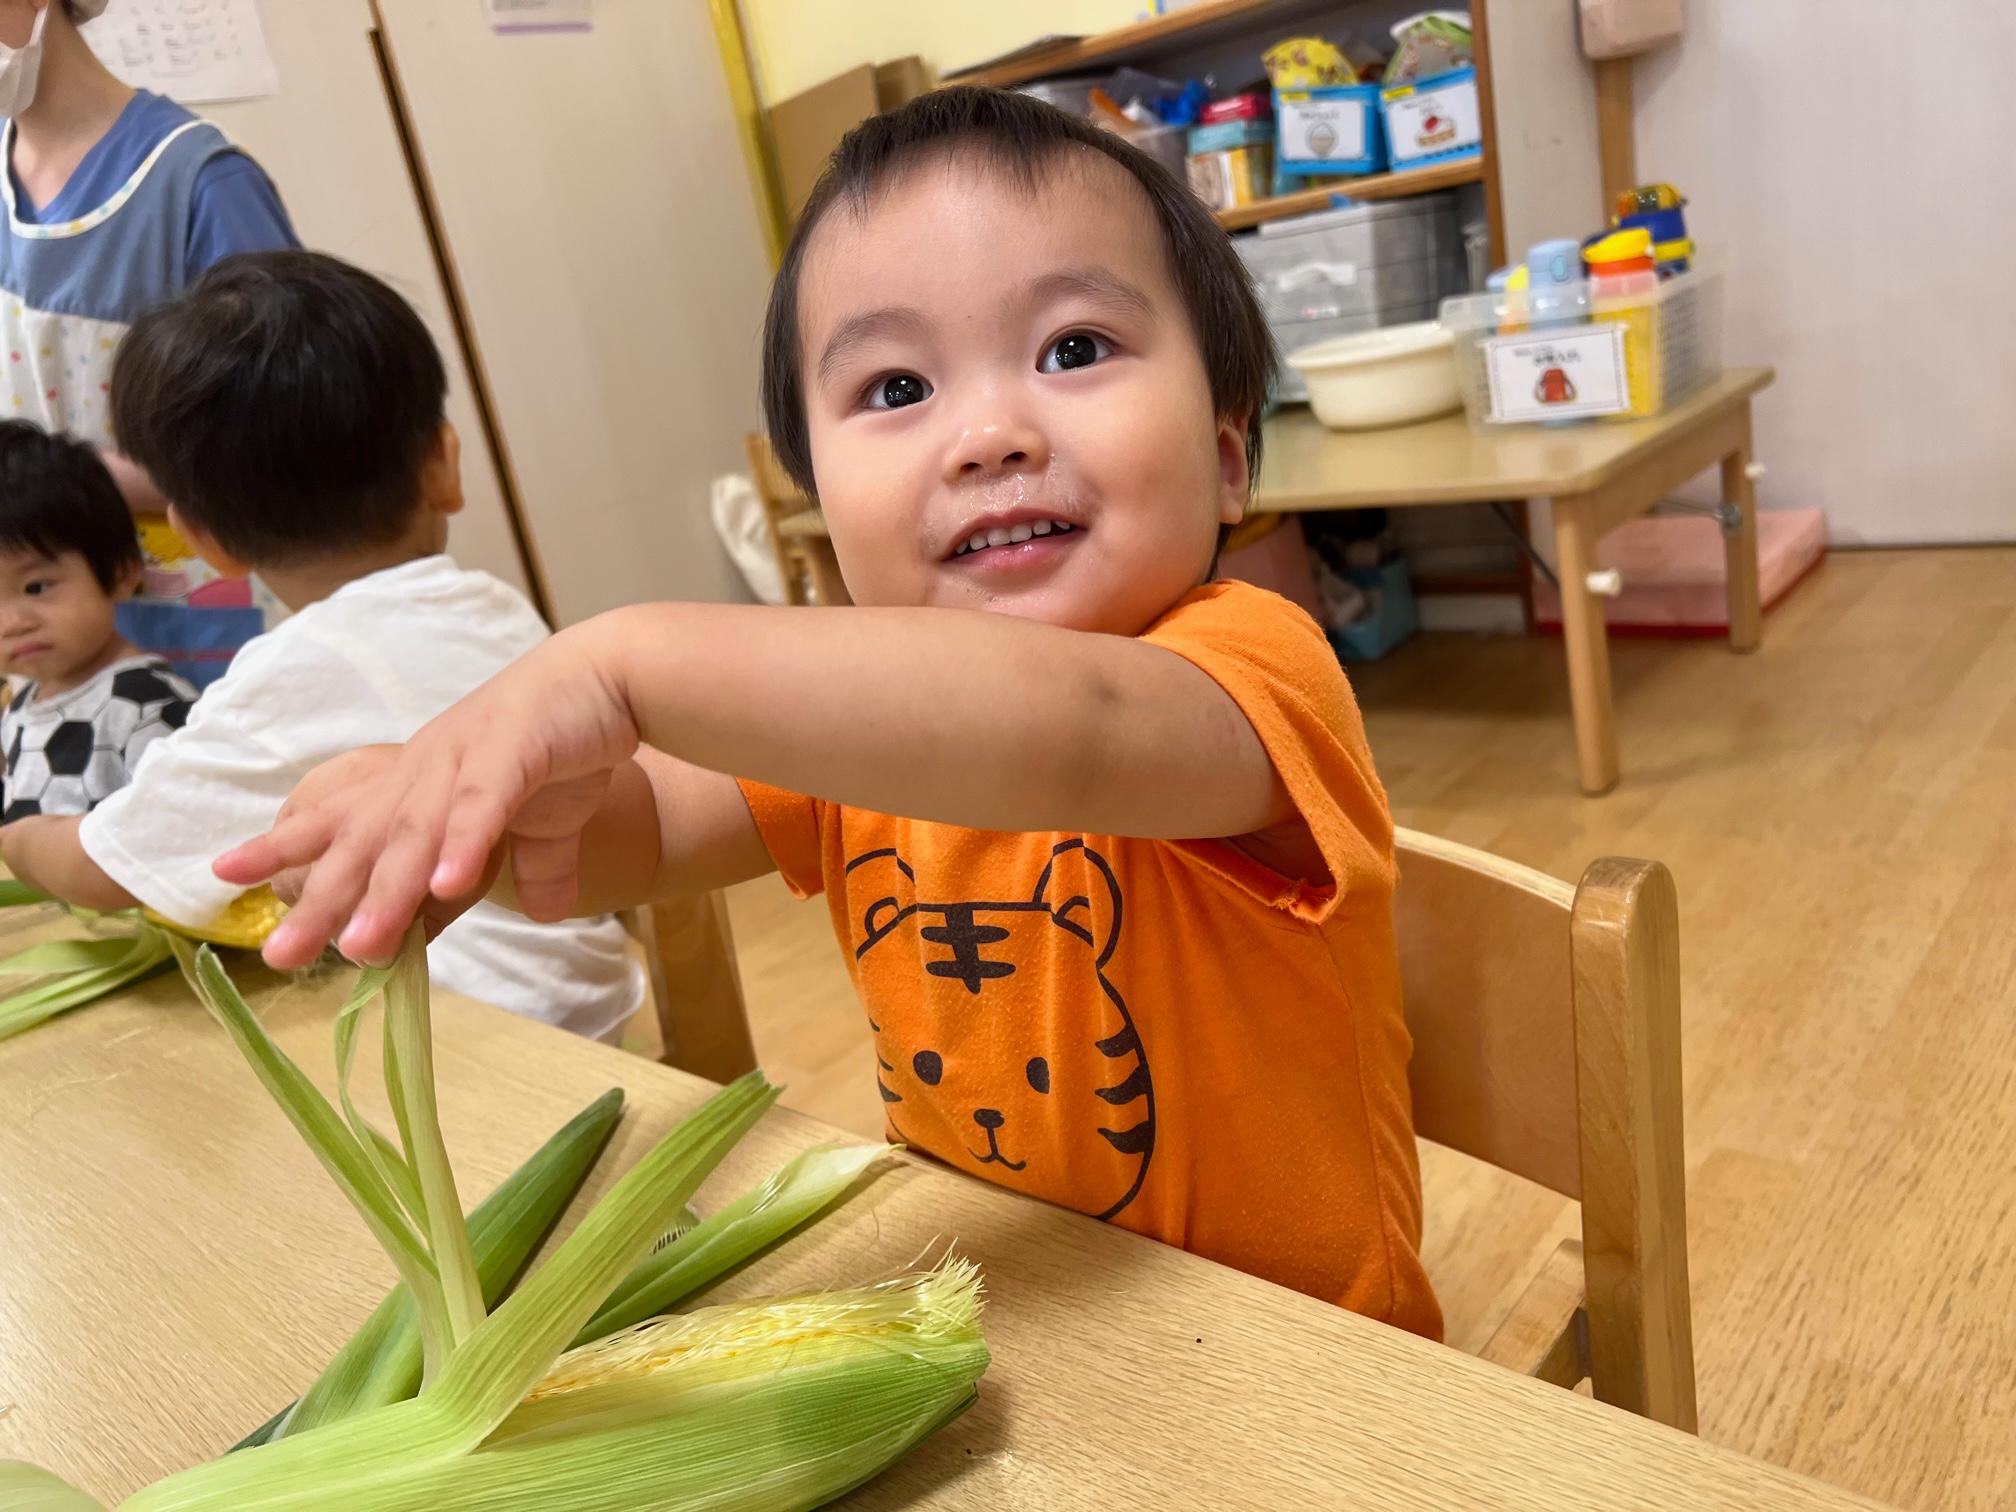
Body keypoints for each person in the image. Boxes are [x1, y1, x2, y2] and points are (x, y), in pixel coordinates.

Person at [221, 90, 1441, 1335]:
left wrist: (623, 661)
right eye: (898, 384)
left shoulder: (1246, 671)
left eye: (1073, 349)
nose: (988, 434)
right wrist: (465, 821)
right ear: (819, 498)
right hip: (1018, 1325)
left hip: (1309, 1372)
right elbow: (634, 835)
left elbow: (1060, 732)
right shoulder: (853, 736)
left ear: (1231, 452)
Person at [2, 250, 645, 1043]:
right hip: (590, 992)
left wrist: (20, 842)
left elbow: (106, 868)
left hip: (475, 1032)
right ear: (443, 465)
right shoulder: (487, 602)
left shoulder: (286, 674)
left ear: (202, 540)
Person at [0, 0, 300, 683]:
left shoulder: (198, 185)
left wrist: (83, 479)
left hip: (189, 616)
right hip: (38, 630)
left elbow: (285, 441)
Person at [0, 418, 193, 821]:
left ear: (121, 572)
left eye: (37, 587)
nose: (13, 623)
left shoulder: (149, 705)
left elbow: (179, 838)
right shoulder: (20, 707)